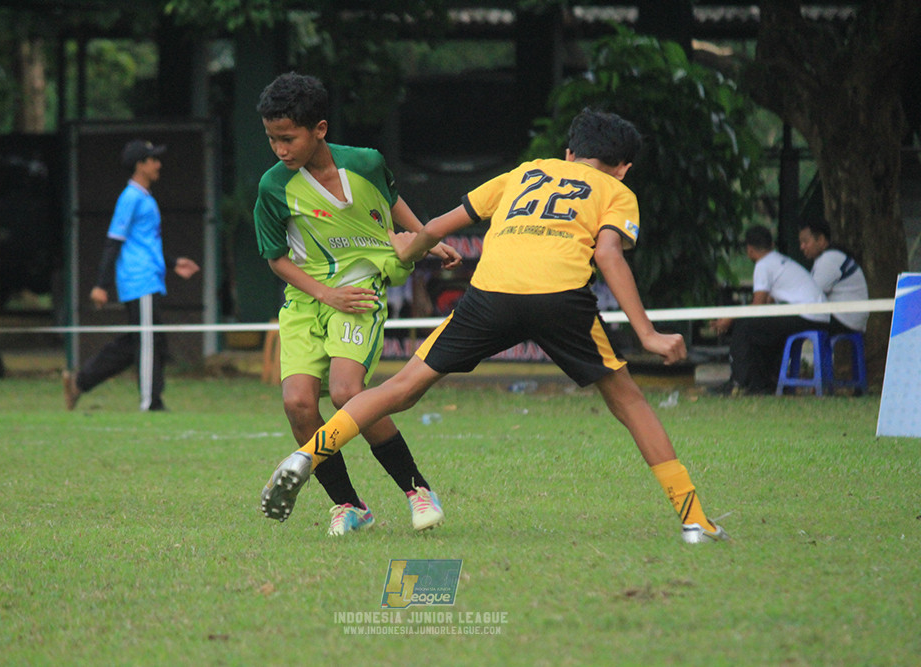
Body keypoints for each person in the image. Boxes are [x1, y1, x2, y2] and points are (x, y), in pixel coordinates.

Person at [261, 108, 729, 544]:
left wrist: (411, 249)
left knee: (402, 387)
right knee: (629, 402)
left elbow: (442, 224)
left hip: (490, 294)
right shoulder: (617, 191)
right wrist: (647, 333)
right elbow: (607, 254)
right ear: (624, 167)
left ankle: (308, 454)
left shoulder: (523, 173)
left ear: (568, 152)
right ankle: (693, 519)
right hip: (560, 299)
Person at [253, 72, 461, 536]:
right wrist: (325, 293)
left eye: (288, 138)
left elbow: (393, 201)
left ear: (320, 130)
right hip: (308, 299)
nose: (280, 149)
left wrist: (427, 239)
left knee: (349, 393)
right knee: (298, 403)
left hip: (360, 290)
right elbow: (276, 260)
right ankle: (350, 505)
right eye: (272, 140)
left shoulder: (366, 163)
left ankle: (416, 490)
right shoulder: (272, 187)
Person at [63, 139, 200, 412]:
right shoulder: (131, 198)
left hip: (149, 276)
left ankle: (80, 382)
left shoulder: (144, 197)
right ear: (140, 165)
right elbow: (114, 241)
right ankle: (151, 403)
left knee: (138, 341)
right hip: (139, 280)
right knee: (149, 341)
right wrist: (101, 285)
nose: (158, 164)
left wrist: (173, 263)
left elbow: (144, 243)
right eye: (153, 160)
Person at [711, 225, 828, 395]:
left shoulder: (763, 265)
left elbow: (757, 308)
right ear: (771, 244)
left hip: (807, 315)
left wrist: (730, 318)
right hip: (817, 315)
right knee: (761, 329)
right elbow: (768, 301)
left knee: (744, 326)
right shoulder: (780, 260)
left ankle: (739, 381)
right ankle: (765, 383)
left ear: (749, 250)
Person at [798, 220, 869, 334]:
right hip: (847, 317)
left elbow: (811, 295)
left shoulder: (830, 259)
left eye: (805, 242)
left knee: (788, 323)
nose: (802, 247)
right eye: (800, 243)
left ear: (820, 240)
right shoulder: (827, 258)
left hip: (846, 319)